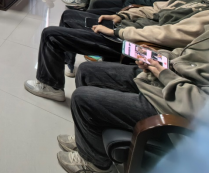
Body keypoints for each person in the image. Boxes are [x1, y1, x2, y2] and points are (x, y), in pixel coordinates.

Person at [56, 27, 209, 173]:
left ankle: (95, 164)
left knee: (83, 100)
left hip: (173, 107)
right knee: (86, 71)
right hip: (165, 81)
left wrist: (165, 75)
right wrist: (159, 57)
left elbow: (201, 107)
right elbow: (186, 55)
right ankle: (87, 144)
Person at [24, 0, 209, 103]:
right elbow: (156, 8)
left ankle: (51, 86)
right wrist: (122, 16)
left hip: (135, 39)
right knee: (69, 15)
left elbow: (169, 34)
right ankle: (68, 64)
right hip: (128, 27)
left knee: (51, 34)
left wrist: (118, 32)